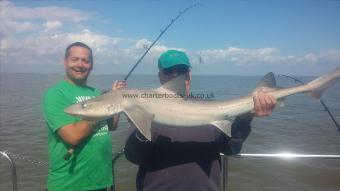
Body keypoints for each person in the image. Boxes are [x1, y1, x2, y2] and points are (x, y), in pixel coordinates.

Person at [124, 50, 276, 191]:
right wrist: (144, 127)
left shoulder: (210, 109)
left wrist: (245, 117)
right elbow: (134, 157)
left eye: (181, 71)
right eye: (169, 71)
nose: (175, 75)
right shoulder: (142, 108)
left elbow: (230, 149)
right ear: (159, 75)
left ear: (189, 75)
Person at [42, 42, 125, 191]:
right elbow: (72, 136)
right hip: (69, 184)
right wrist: (103, 110)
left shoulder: (96, 93)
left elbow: (112, 126)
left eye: (85, 61)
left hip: (101, 181)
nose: (80, 65)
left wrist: (115, 98)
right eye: (74, 59)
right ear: (65, 62)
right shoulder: (55, 94)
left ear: (91, 65)